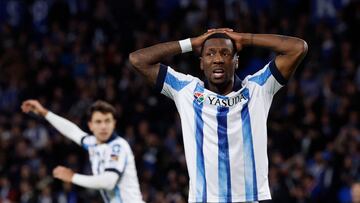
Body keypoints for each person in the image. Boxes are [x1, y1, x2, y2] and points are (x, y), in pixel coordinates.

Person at [129, 28, 308, 203]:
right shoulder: (186, 90)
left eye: (225, 53)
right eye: (210, 53)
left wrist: (244, 38)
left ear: (236, 61)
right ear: (201, 62)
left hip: (252, 198)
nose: (218, 59)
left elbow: (297, 47)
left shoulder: (257, 89)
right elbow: (138, 60)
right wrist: (192, 43)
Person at [21, 99, 144, 203]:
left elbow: (109, 181)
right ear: (90, 125)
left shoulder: (118, 146)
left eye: (107, 121)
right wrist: (44, 113)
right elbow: (72, 131)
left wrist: (73, 177)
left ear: (114, 124)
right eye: (98, 121)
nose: (103, 126)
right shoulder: (93, 143)